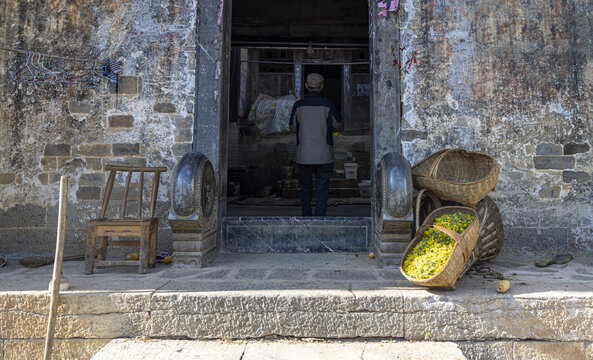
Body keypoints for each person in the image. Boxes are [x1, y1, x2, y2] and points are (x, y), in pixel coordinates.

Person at [289, 73, 342, 216]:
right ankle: (320, 218)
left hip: (304, 155)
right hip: (324, 155)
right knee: (322, 189)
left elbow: (292, 128)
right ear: (322, 87)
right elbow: (337, 126)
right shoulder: (328, 105)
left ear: (306, 86)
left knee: (305, 188)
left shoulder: (298, 105)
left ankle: (306, 217)